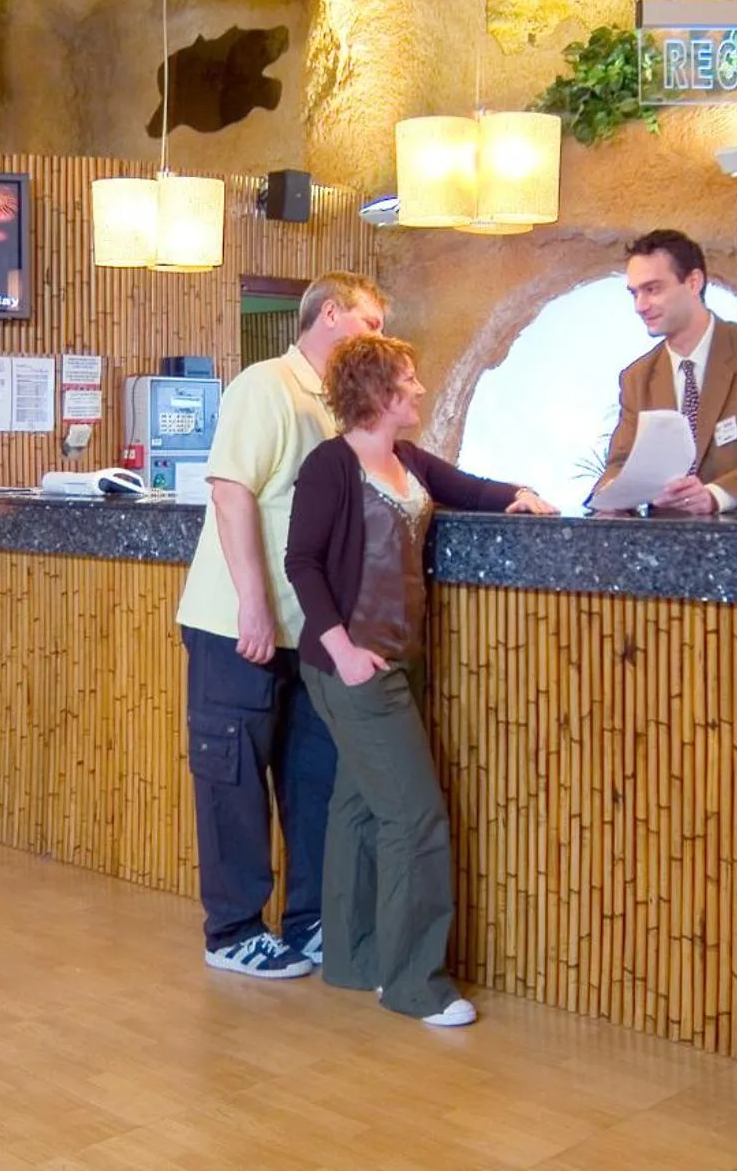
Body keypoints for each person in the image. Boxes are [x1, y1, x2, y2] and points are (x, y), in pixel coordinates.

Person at [285, 334, 555, 1026]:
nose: (421, 390)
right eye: (409, 380)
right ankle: (414, 984)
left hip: (398, 658)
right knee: (414, 816)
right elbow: (303, 563)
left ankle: (354, 958)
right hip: (350, 665)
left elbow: (470, 489)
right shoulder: (331, 465)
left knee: (359, 805)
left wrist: (520, 496)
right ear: (378, 394)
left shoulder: (406, 459)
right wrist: (341, 649)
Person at [175, 270, 389, 979]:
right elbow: (230, 491)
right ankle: (232, 931)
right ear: (331, 315)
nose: (380, 340)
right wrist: (254, 602)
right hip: (237, 623)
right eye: (372, 323)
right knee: (232, 779)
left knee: (312, 780)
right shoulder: (266, 385)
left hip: (311, 634)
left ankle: (309, 920)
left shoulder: (340, 403)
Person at [593, 228, 737, 520]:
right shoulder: (637, 377)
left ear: (693, 282)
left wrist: (713, 496)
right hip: (668, 549)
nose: (640, 306)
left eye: (653, 289)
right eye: (635, 293)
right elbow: (620, 464)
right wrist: (609, 497)